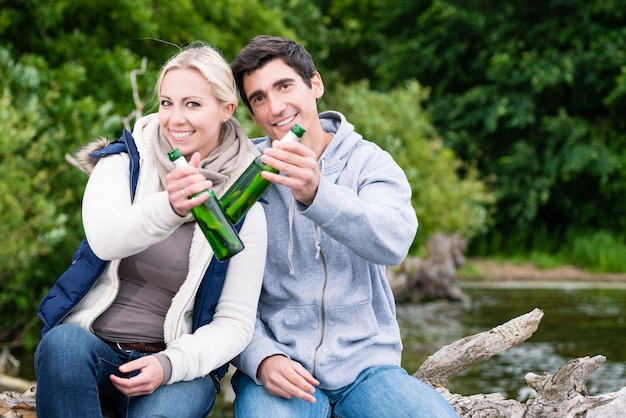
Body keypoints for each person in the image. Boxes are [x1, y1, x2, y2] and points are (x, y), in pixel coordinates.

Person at [229, 35, 458, 418]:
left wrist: (318, 193)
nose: (276, 107)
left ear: (315, 84)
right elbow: (216, 287)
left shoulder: (369, 162)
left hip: (368, 370)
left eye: (284, 86)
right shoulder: (242, 172)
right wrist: (261, 357)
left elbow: (394, 241)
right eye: (259, 98)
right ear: (252, 113)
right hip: (280, 367)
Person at [34, 41, 267, 418]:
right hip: (95, 352)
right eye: (166, 102)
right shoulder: (122, 165)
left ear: (226, 109)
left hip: (176, 369)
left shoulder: (245, 205)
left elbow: (235, 323)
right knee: (62, 345)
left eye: (192, 104)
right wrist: (169, 207)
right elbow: (105, 239)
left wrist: (169, 365)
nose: (175, 118)